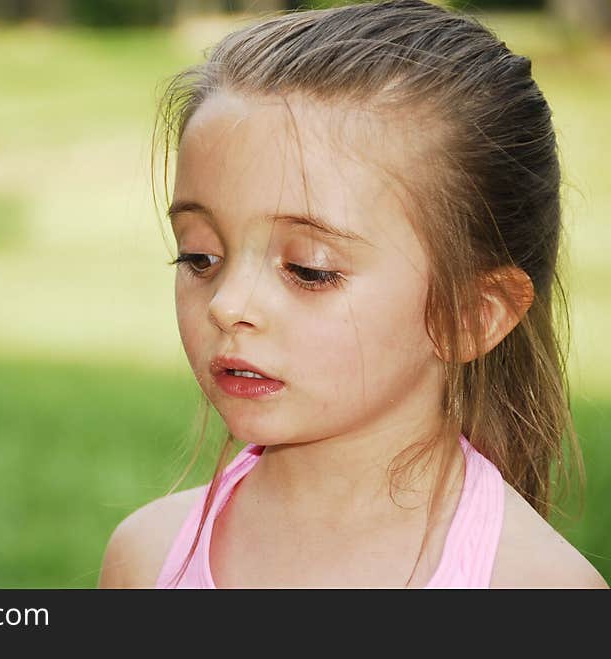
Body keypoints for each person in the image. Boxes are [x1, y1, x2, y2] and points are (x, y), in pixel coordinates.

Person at [98, 0, 609, 588]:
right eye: (200, 257)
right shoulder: (147, 557)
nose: (227, 304)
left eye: (309, 270)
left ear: (471, 314)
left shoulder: (535, 589)